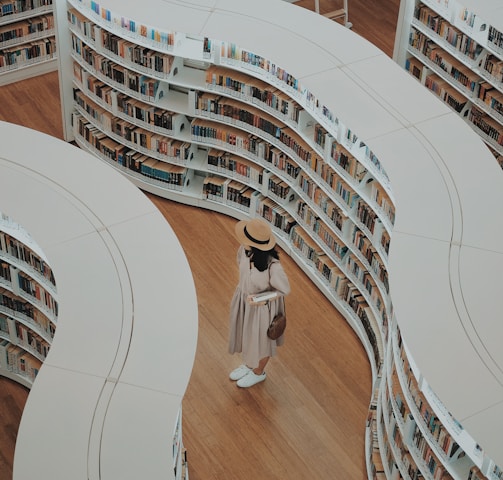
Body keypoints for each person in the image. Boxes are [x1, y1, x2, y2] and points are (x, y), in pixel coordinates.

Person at [228, 217, 290, 388]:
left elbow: (283, 290)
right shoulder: (245, 251)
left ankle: (258, 372)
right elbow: (240, 265)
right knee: (248, 336)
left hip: (262, 308)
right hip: (244, 299)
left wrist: (261, 298)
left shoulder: (273, 267)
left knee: (262, 341)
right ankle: (249, 365)